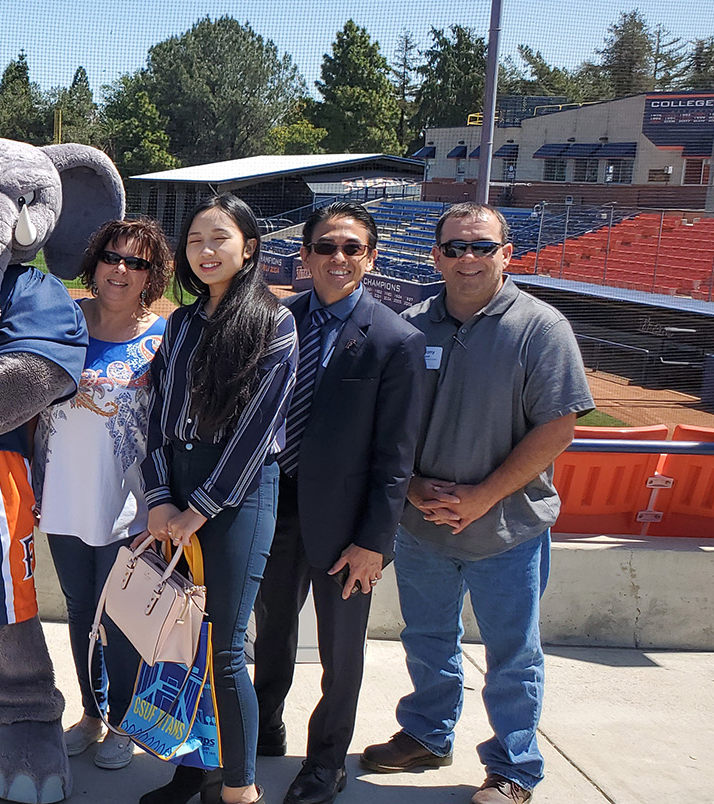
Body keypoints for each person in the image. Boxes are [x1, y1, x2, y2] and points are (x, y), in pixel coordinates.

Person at [359, 202, 593, 804]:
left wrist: (483, 496)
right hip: (423, 525)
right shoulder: (411, 324)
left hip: (507, 528)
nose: (468, 258)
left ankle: (514, 766)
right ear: (436, 255)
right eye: (455, 247)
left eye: (482, 246)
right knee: (427, 637)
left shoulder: (541, 328)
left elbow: (558, 427)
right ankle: (428, 734)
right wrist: (411, 486)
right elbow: (386, 424)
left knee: (512, 652)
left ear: (506, 254)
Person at [251, 202, 426, 804]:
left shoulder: (397, 340)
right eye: (325, 247)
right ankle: (264, 727)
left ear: (370, 258)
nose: (338, 258)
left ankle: (326, 762)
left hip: (347, 527)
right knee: (270, 629)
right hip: (274, 508)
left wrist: (375, 541)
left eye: (352, 248)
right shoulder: (276, 320)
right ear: (304, 257)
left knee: (339, 649)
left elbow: (395, 456)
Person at [140, 194, 298, 804]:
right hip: (174, 487)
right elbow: (157, 417)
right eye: (197, 240)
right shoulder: (179, 323)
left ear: (249, 248)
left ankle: (240, 788)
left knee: (226, 649)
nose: (206, 250)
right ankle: (192, 769)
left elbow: (257, 432)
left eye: (220, 238)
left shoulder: (273, 322)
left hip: (236, 496)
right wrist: (159, 498)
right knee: (182, 644)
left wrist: (196, 509)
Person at [31, 217, 171, 772]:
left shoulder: (162, 337)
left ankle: (123, 722)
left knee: (120, 620)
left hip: (128, 504)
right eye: (113, 257)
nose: (121, 270)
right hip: (61, 494)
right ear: (95, 263)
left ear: (151, 275)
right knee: (79, 609)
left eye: (136, 262)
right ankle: (91, 713)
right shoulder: (61, 319)